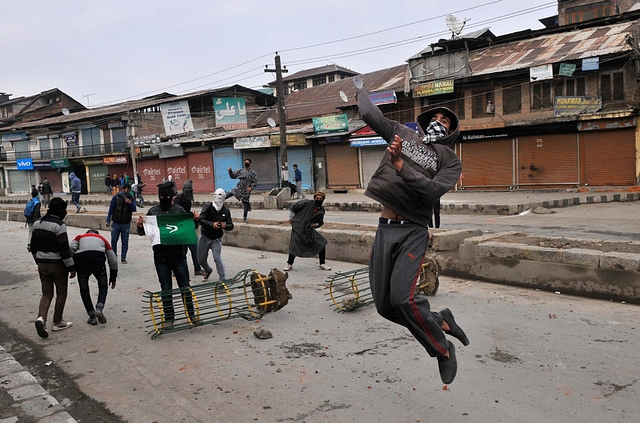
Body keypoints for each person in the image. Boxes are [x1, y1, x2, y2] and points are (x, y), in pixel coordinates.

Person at [357, 86, 468, 385]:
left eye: (447, 120)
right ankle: (440, 320)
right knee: (384, 306)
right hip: (385, 229)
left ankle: (443, 350)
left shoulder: (449, 159)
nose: (440, 120)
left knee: (402, 299)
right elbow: (369, 113)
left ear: (451, 130)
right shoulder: (402, 134)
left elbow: (432, 190)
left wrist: (401, 166)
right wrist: (360, 89)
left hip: (413, 231)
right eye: (437, 116)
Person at [136, 182, 200, 329]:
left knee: (185, 286)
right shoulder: (152, 212)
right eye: (162, 196)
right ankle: (169, 318)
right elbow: (143, 232)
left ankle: (191, 314)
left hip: (178, 255)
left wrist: (196, 220)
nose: (164, 198)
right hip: (161, 257)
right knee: (166, 288)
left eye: (167, 196)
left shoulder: (179, 211)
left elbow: (190, 227)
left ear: (172, 197)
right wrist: (140, 225)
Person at [30, 198, 75, 338]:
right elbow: (63, 249)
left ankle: (41, 318)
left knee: (46, 293)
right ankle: (57, 322)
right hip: (57, 265)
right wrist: (71, 267)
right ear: (61, 210)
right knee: (61, 293)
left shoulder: (38, 223)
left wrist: (38, 260)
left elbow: (33, 246)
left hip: (42, 264)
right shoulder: (59, 225)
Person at [70, 229, 118, 325]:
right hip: (98, 262)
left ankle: (92, 317)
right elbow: (113, 260)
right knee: (103, 285)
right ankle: (99, 309)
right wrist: (113, 278)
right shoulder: (102, 239)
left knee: (84, 289)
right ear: (97, 234)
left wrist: (72, 265)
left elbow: (71, 247)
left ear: (87, 233)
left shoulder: (79, 237)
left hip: (82, 263)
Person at [283, 191, 331, 271]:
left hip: (308, 229)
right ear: (314, 198)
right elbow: (293, 207)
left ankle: (322, 263)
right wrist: (291, 219)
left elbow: (320, 222)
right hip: (298, 228)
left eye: (320, 199)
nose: (318, 200)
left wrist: (315, 225)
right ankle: (289, 264)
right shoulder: (306, 203)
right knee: (294, 245)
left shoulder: (321, 210)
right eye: (317, 198)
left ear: (323, 200)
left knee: (321, 242)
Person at [198, 188, 234, 281]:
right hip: (205, 236)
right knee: (201, 259)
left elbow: (231, 225)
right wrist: (212, 224)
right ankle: (208, 270)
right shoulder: (207, 206)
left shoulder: (226, 210)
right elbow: (201, 220)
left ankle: (222, 280)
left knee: (217, 259)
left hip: (216, 239)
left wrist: (225, 225)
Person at [174, 179, 203, 276]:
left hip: (188, 226)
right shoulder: (178, 199)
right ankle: (177, 269)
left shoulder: (188, 199)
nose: (188, 190)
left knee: (194, 248)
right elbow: (178, 213)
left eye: (189, 189)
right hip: (181, 228)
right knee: (182, 250)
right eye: (186, 188)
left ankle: (197, 269)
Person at [106, 183, 136, 264]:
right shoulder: (116, 197)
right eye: (126, 189)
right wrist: (108, 219)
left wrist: (130, 203)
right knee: (114, 241)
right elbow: (111, 209)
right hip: (116, 222)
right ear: (123, 189)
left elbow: (134, 209)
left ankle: (123, 257)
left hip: (126, 223)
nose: (127, 191)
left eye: (128, 190)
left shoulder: (132, 198)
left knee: (125, 242)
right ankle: (114, 256)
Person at [226, 158, 257, 223]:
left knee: (245, 203)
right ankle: (221, 198)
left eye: (247, 162)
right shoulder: (241, 171)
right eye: (245, 162)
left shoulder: (253, 173)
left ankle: (245, 218)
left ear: (250, 164)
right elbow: (233, 176)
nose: (246, 163)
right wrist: (230, 171)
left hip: (246, 190)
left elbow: (255, 182)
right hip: (239, 187)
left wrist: (251, 187)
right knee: (232, 192)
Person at [25, 188, 42, 252]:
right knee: (35, 233)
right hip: (34, 220)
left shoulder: (30, 201)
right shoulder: (37, 202)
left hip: (29, 220)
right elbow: (36, 213)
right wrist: (36, 222)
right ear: (37, 195)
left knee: (30, 232)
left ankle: (29, 244)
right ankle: (34, 245)